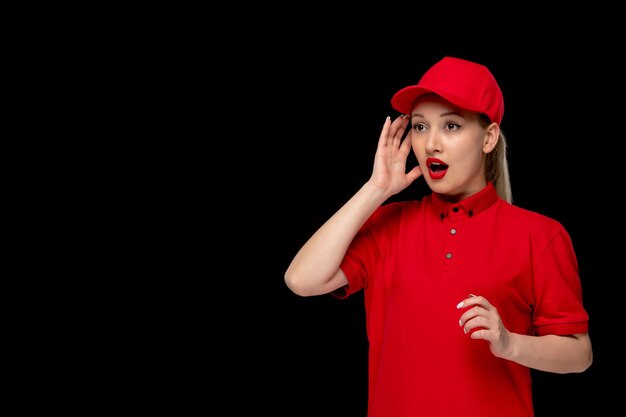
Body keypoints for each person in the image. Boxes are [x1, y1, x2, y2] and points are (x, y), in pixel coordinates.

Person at [284, 56, 592, 417]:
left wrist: (510, 343)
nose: (430, 144)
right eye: (419, 127)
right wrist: (376, 189)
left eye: (451, 126)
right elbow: (301, 280)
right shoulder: (387, 224)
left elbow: (578, 354)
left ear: (489, 137)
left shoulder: (541, 235)